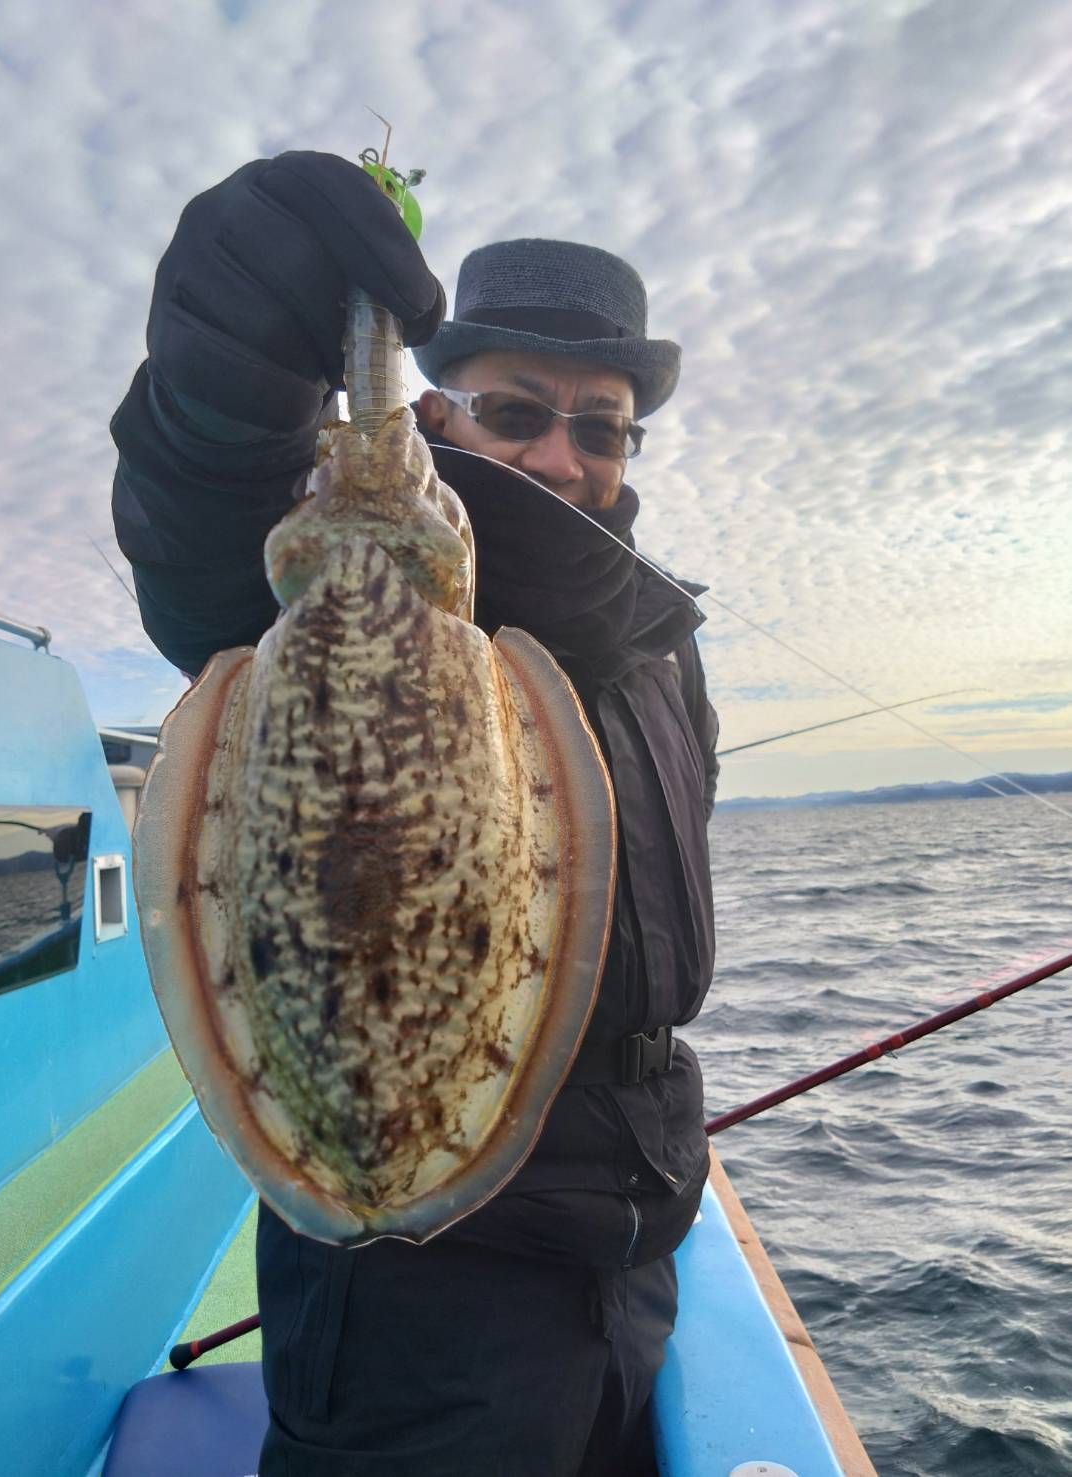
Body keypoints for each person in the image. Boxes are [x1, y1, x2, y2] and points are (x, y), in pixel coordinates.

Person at [112, 150, 718, 1477]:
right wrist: (223, 392)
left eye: (603, 427)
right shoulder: (371, 571)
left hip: (631, 1246)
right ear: (443, 414)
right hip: (421, 1300)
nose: (562, 455)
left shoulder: (661, 648)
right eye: (518, 411)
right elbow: (202, 538)